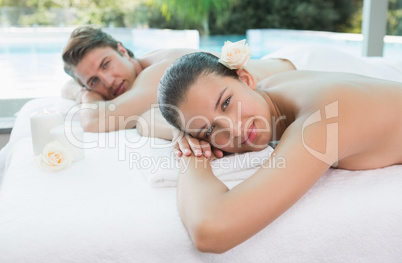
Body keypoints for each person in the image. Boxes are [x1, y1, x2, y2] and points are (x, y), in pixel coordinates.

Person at [157, 51, 402, 253]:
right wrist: (184, 136)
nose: (233, 128)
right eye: (210, 129)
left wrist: (191, 157)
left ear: (245, 78)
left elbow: (211, 231)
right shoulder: (271, 90)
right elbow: (147, 119)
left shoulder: (321, 120)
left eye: (227, 103)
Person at [62, 26, 402, 135]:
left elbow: (95, 122)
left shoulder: (157, 74)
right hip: (289, 63)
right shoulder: (146, 71)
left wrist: (86, 96)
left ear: (122, 50)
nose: (107, 81)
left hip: (307, 66)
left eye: (106, 64)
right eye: (93, 81)